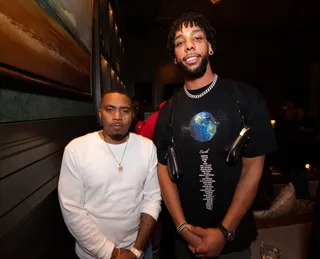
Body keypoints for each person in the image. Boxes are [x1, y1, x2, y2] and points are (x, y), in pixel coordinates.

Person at [154, 12, 277, 259]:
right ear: (176, 58)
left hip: (234, 242)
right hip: (186, 243)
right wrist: (182, 228)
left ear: (209, 47)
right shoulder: (167, 112)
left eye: (196, 38)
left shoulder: (246, 99)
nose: (188, 45)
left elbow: (253, 170)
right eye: (180, 42)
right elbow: (164, 172)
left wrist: (224, 232)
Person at [58, 88, 161, 259]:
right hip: (92, 255)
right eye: (110, 109)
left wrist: (136, 251)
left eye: (125, 110)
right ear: (100, 114)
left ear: (132, 114)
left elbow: (152, 198)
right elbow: (72, 208)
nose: (117, 117)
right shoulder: (77, 149)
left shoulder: (147, 147)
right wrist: (112, 254)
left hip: (139, 250)